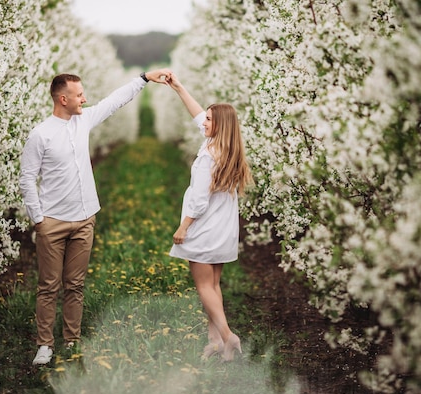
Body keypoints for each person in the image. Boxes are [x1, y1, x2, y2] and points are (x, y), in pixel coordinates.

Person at [20, 69, 171, 365]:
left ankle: (72, 340)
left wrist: (143, 78)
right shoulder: (41, 134)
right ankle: (45, 344)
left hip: (85, 217)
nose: (84, 99)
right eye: (79, 95)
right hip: (53, 221)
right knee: (49, 286)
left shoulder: (83, 121)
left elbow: (114, 102)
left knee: (75, 284)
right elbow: (27, 179)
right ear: (63, 99)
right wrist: (39, 219)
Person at [167, 73, 253, 361]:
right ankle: (214, 341)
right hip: (224, 228)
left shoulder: (207, 156)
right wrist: (179, 88)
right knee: (213, 287)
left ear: (219, 126)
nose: (203, 121)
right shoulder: (227, 149)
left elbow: (200, 200)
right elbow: (199, 113)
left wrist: (184, 227)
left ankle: (228, 337)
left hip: (204, 227)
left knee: (204, 287)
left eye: (209, 120)